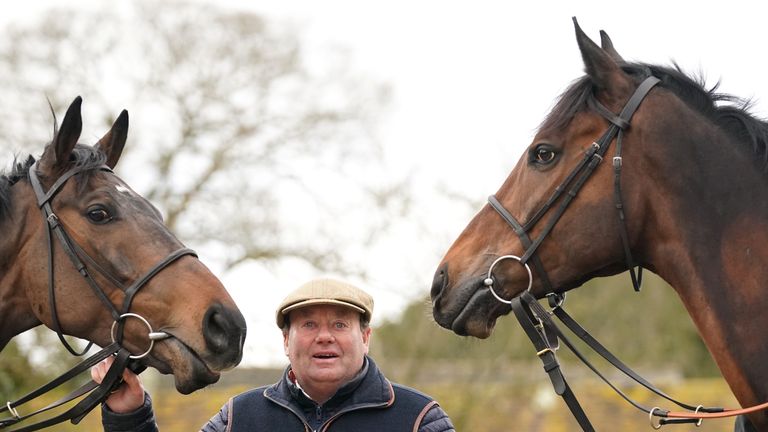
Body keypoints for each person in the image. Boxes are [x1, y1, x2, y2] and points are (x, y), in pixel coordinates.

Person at [92, 278, 456, 431]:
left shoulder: (419, 420)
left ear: (366, 338)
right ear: (286, 341)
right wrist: (129, 415)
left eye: (340, 326)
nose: (324, 337)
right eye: (309, 325)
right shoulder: (239, 418)